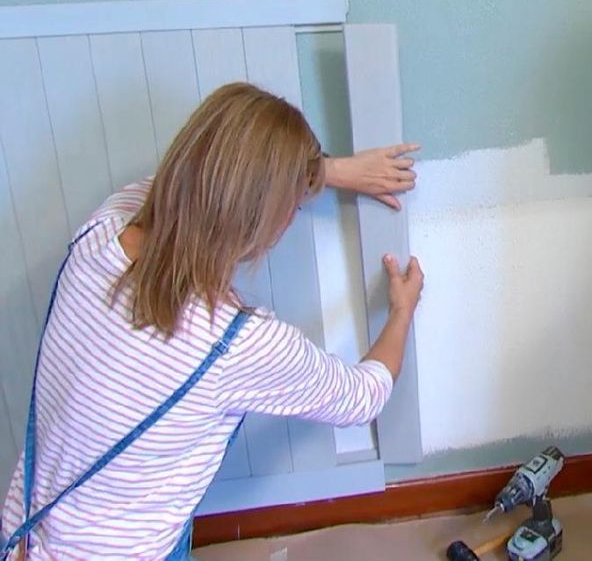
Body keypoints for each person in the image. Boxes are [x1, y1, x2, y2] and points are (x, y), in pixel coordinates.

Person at [1, 82, 425, 559]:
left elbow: (196, 182)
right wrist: (402, 311)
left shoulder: (102, 230)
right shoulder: (236, 343)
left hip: (22, 533)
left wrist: (329, 172)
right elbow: (361, 397)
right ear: (274, 220)